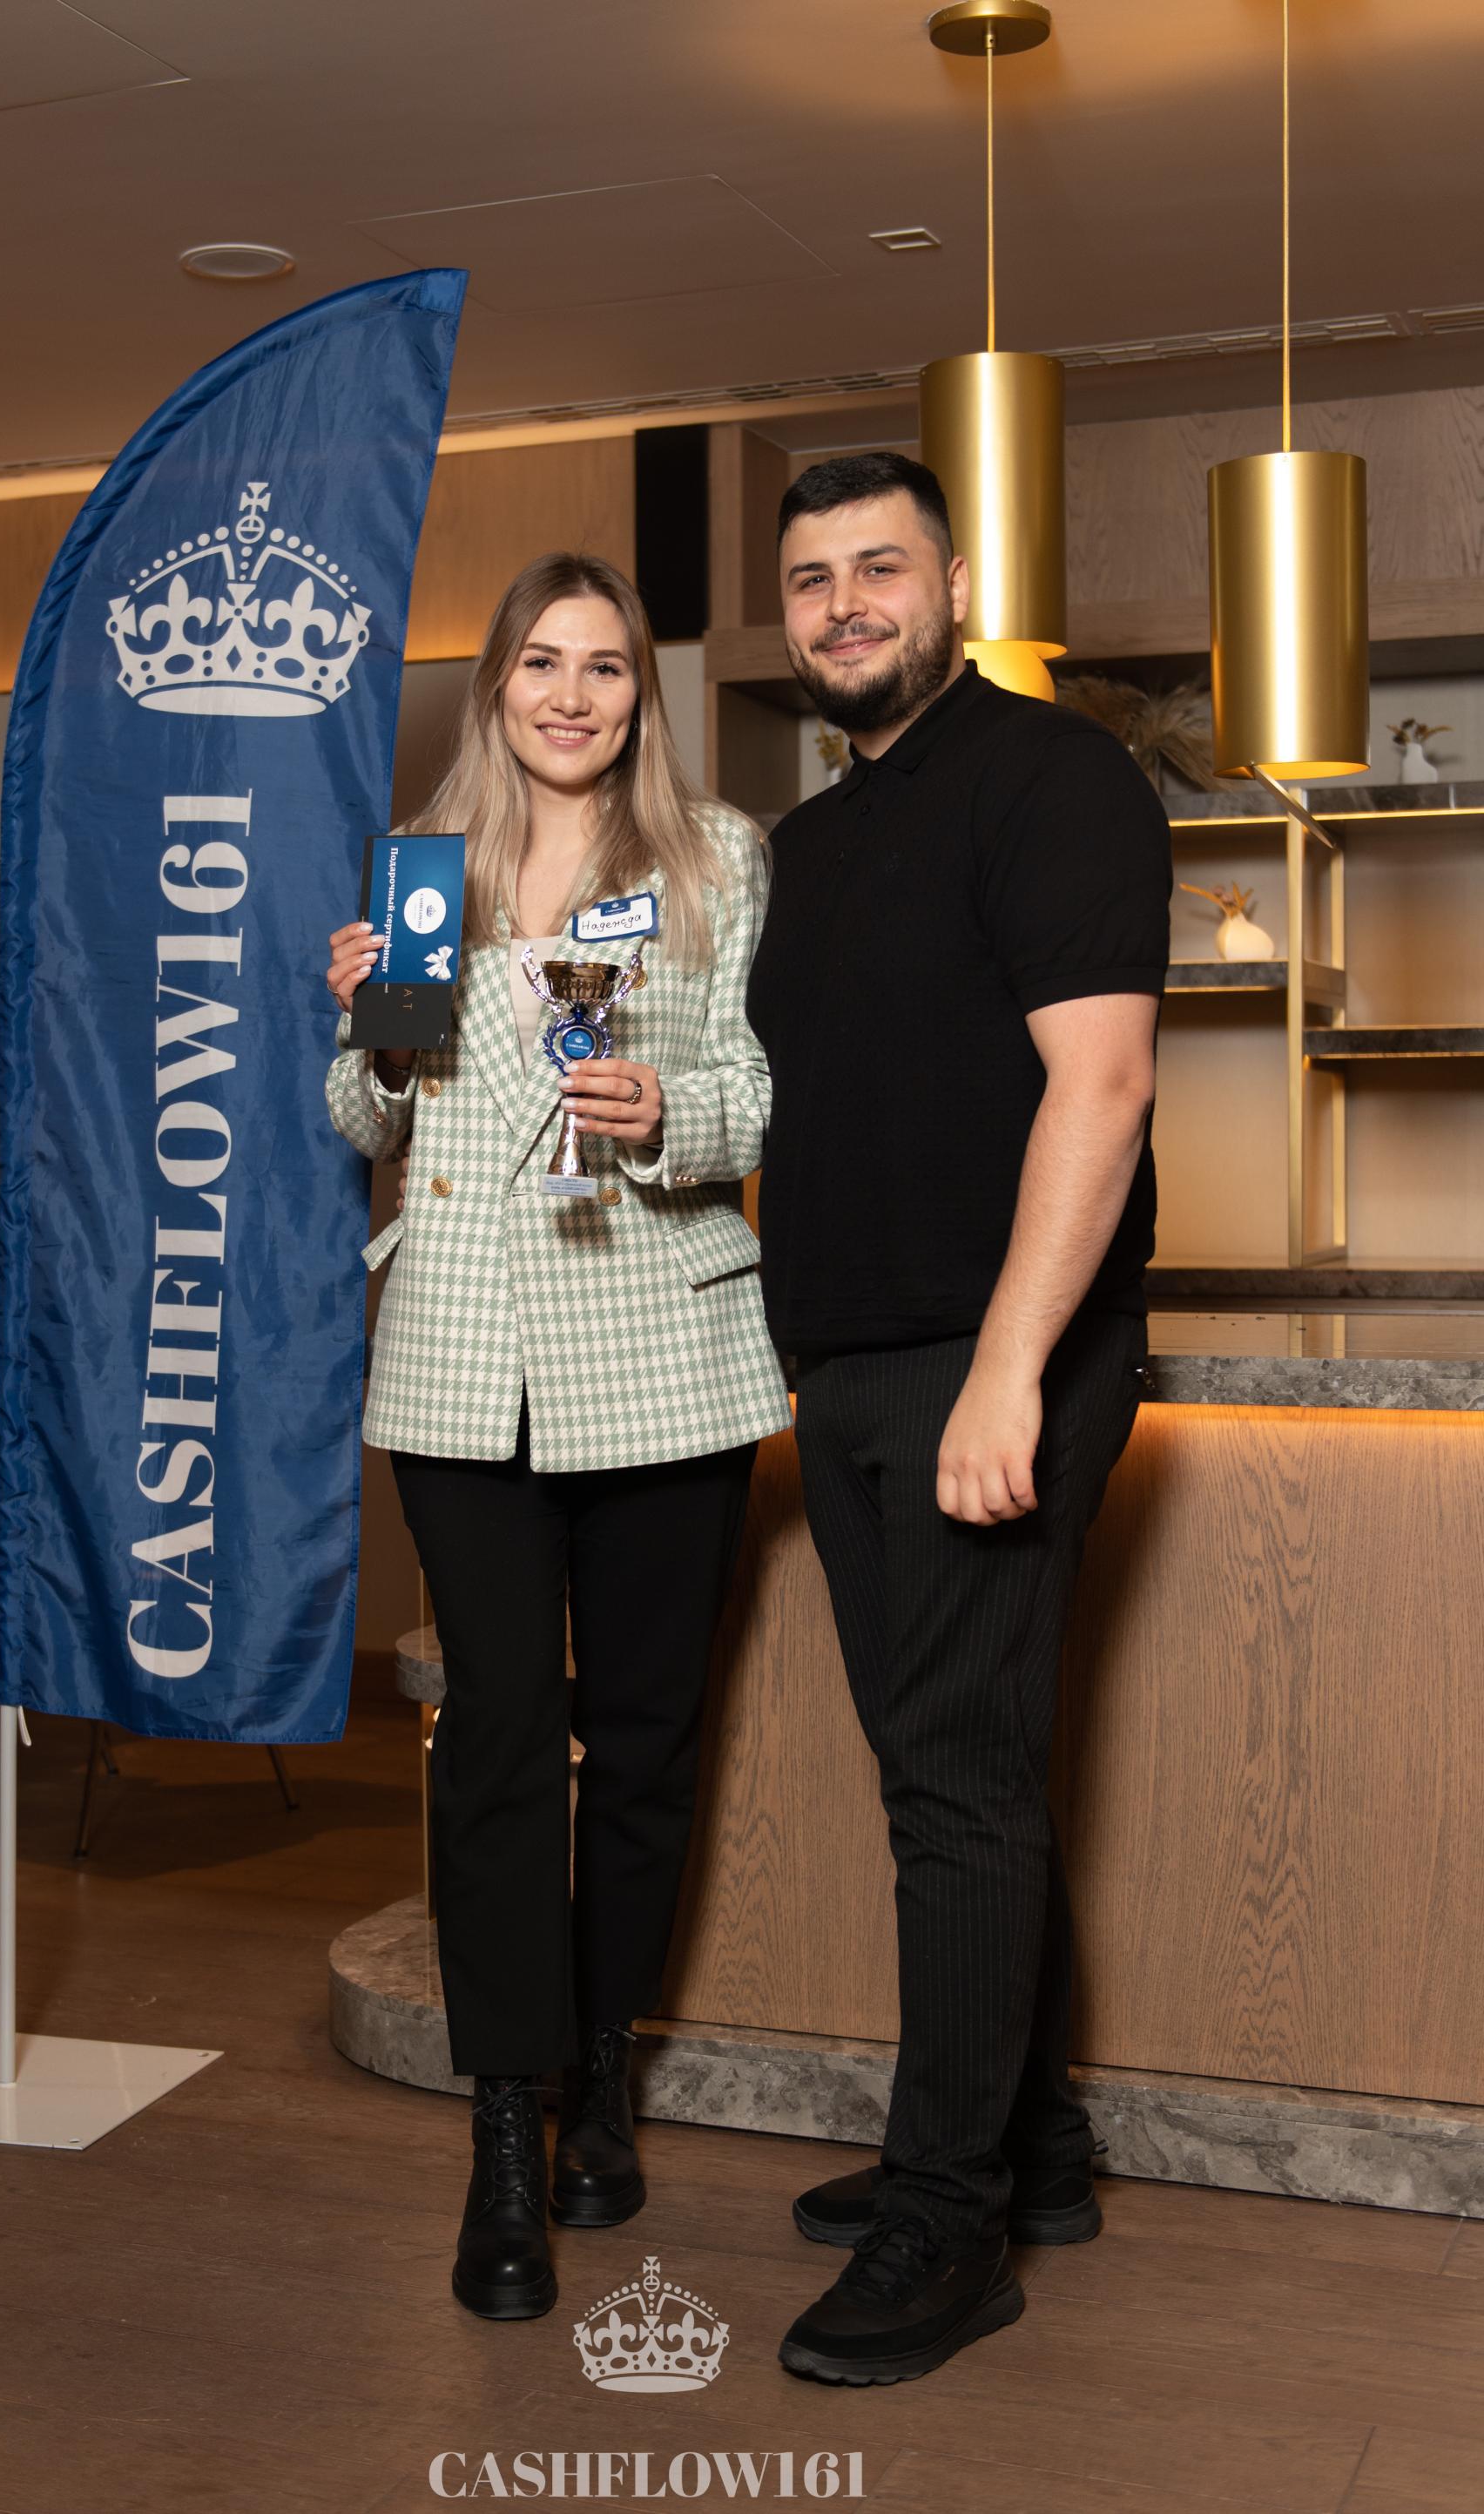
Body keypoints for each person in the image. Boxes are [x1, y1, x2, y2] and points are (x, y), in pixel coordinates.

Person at [322, 551, 788, 2325]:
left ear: (638, 692)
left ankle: (604, 2073)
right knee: (500, 1743)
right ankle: (505, 2134)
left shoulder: (714, 856)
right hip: (466, 1358)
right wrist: (373, 1022)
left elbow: (757, 1088)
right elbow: (366, 1116)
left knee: (650, 1743)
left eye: (604, 666)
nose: (572, 695)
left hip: (663, 1342)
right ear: (497, 686)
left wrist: (670, 1111)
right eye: (542, 662)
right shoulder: (421, 871)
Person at [747, 451, 1171, 2387]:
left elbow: (1104, 1087)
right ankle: (1030, 2145)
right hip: (850, 1367)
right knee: (956, 1768)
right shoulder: (814, 840)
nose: (845, 603)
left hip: (985, 1366)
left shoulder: (1052, 777)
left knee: (957, 1792)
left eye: (879, 566)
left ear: (957, 584)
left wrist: (1009, 1368)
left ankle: (951, 2223)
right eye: (812, 578)